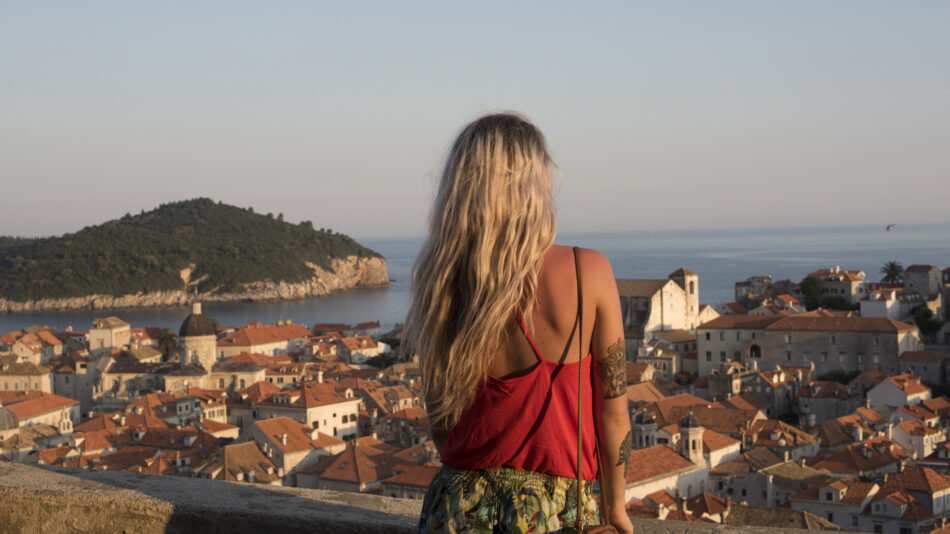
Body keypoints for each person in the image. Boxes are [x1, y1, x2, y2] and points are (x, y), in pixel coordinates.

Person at [406, 113, 633, 534]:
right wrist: (615, 509)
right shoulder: (588, 272)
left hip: (455, 508)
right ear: (536, 183)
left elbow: (441, 424)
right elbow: (613, 416)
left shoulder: (440, 284)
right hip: (553, 514)